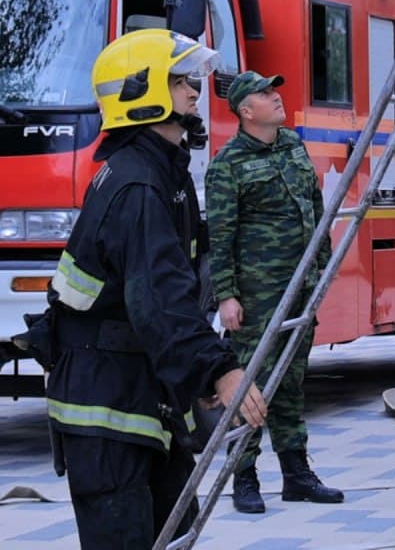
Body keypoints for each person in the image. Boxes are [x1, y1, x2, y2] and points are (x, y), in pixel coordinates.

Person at [45, 29, 267, 549]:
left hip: (136, 391)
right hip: (107, 404)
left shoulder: (158, 171)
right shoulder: (139, 185)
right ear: (141, 92)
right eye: (181, 81)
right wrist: (220, 368)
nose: (194, 92)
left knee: (176, 528)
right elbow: (160, 300)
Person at [207, 70, 344, 513]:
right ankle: (242, 477)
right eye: (266, 94)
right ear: (247, 111)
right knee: (251, 384)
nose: (277, 97)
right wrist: (226, 295)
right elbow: (221, 237)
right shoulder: (228, 165)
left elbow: (317, 210)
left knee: (291, 381)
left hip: (301, 285)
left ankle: (296, 474)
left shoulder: (293, 146)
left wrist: (323, 266)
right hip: (258, 293)